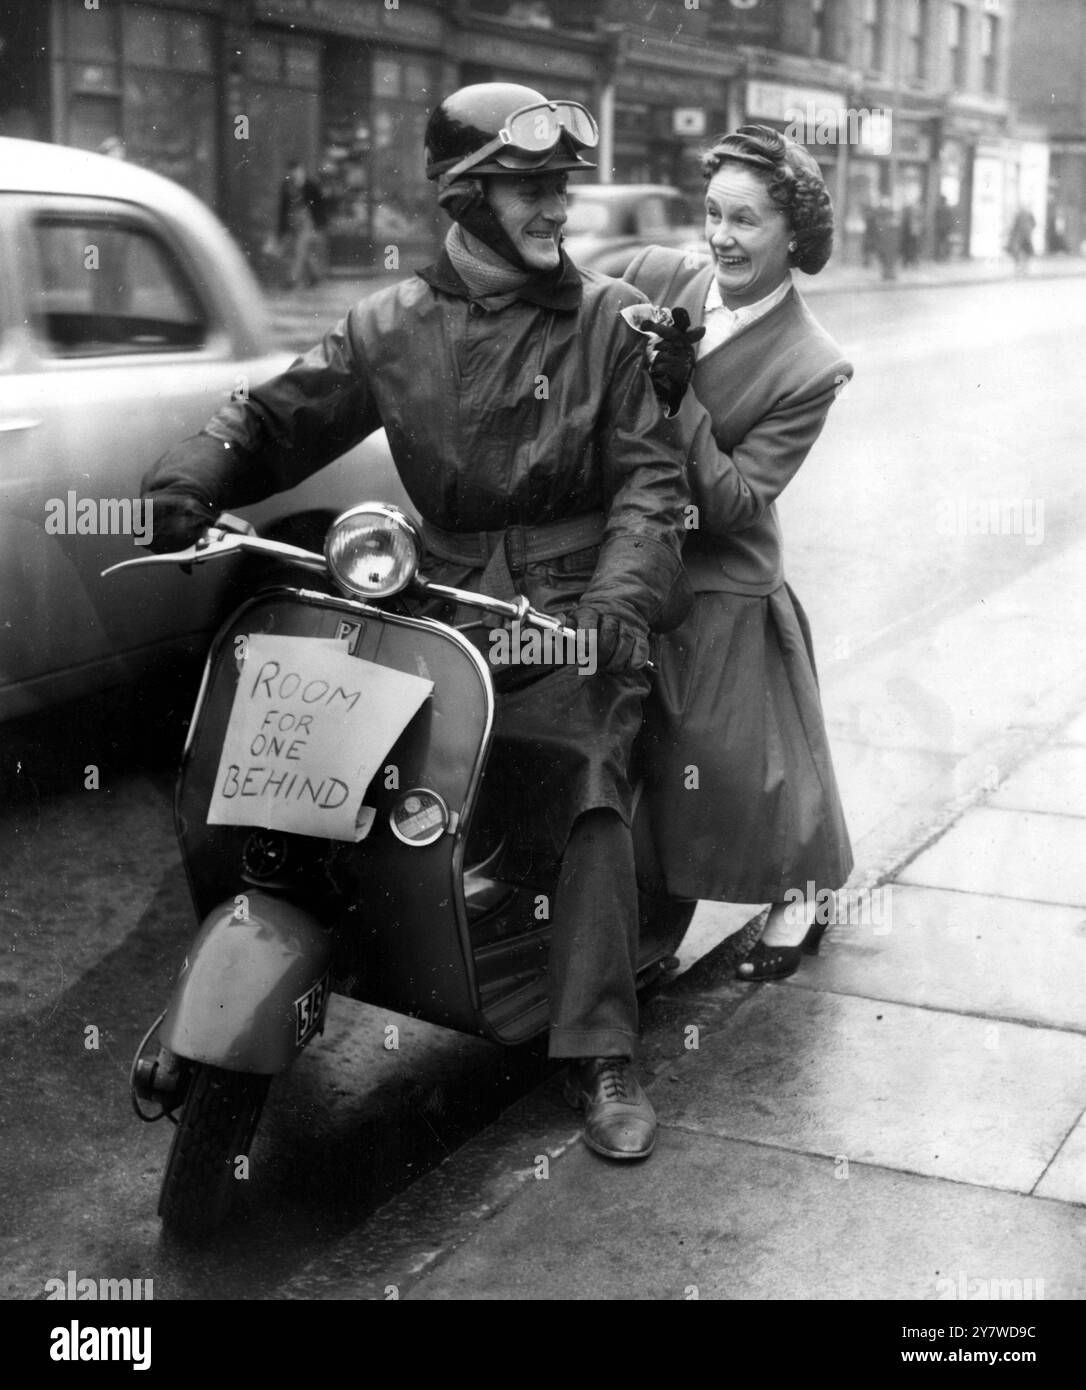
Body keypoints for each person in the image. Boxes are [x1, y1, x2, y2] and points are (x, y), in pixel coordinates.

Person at [140, 83, 691, 1162]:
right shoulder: (390, 323)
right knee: (306, 741)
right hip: (434, 603)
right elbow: (279, 410)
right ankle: (251, 972)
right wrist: (199, 468)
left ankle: (598, 1047)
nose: (554, 209)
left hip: (566, 616)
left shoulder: (615, 324)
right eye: (529, 187)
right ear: (465, 195)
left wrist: (617, 608)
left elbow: (652, 486)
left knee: (583, 775)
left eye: (560, 188)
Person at [624, 124, 854, 982]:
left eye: (746, 221)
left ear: (792, 235)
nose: (720, 237)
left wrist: (675, 397)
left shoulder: (810, 366)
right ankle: (627, 922)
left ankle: (800, 891)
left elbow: (733, 504)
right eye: (713, 213)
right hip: (623, 552)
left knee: (730, 762)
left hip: (717, 572)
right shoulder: (659, 276)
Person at [277, 158, 327, 288]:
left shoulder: (310, 185)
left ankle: (292, 280)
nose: (293, 174)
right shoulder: (286, 186)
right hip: (292, 221)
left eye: (295, 171)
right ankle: (315, 275)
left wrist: (318, 223)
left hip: (306, 222)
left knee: (300, 250)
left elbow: (319, 205)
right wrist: (282, 229)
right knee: (303, 250)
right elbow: (283, 208)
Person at [1008, 205, 1036, 272]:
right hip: (1024, 235)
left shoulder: (1021, 215)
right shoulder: (1027, 214)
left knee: (1020, 250)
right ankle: (1023, 266)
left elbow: (1014, 225)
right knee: (1024, 250)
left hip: (1022, 235)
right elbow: (1034, 223)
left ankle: (1021, 265)